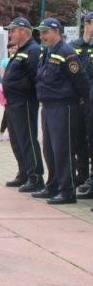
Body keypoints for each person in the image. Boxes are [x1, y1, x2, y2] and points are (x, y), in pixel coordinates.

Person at [30, 18, 89, 205]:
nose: (42, 36)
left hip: (63, 107)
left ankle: (67, 191)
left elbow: (81, 80)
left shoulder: (66, 52)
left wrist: (80, 101)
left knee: (63, 150)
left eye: (45, 32)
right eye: (41, 33)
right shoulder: (46, 52)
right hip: (48, 107)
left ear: (57, 32)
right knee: (50, 150)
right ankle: (53, 185)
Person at [2, 17, 44, 193]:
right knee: (16, 139)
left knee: (27, 139)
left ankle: (36, 177)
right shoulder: (21, 50)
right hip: (13, 101)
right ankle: (24, 172)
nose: (10, 34)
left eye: (13, 31)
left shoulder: (33, 50)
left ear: (23, 31)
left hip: (24, 101)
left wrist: (24, 90)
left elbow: (36, 77)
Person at [72, 12, 93, 199]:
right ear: (87, 24)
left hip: (91, 100)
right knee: (78, 139)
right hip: (77, 100)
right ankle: (82, 175)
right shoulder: (74, 46)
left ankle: (91, 180)